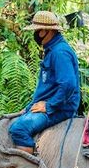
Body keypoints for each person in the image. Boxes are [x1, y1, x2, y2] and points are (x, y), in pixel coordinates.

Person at [9, 11, 80, 154]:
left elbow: (68, 85)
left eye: (37, 30)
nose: (35, 33)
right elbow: (48, 87)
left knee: (18, 129)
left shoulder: (59, 53)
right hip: (52, 104)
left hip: (61, 108)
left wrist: (49, 106)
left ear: (46, 31)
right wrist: (30, 106)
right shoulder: (52, 50)